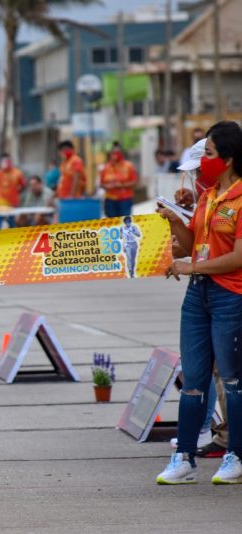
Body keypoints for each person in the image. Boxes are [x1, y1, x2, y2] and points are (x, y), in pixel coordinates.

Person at [156, 120, 242, 485]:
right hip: (198, 295)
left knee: (234, 380)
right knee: (193, 380)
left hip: (230, 297)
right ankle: (185, 457)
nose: (202, 161)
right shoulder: (209, 197)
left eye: (208, 154)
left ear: (228, 158)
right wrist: (174, 219)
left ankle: (236, 456)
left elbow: (237, 257)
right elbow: (192, 246)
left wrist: (191, 267)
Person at [100, 143, 138, 218]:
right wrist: (107, 186)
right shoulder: (106, 167)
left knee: (124, 221)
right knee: (112, 222)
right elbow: (101, 183)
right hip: (110, 200)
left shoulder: (128, 166)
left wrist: (121, 185)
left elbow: (134, 182)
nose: (115, 155)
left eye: (117, 153)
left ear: (122, 153)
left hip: (125, 199)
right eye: (113, 153)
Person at [0, 154, 26, 230]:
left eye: (7, 160)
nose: (6, 162)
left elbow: (23, 185)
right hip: (1, 201)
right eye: (4, 161)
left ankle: (11, 236)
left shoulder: (17, 173)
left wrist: (17, 192)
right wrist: (0, 192)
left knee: (11, 221)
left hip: (13, 201)